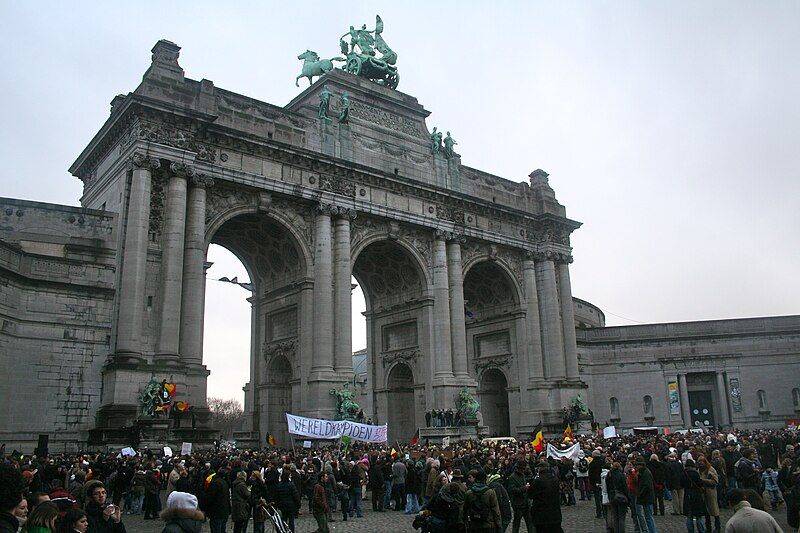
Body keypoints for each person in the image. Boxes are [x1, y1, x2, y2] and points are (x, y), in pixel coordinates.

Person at [528, 462, 563, 533]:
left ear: (539, 469)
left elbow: (530, 494)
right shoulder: (555, 479)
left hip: (541, 514)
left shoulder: (537, 481)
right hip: (555, 513)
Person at [507, 461, 533, 533]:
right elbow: (512, 490)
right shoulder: (512, 477)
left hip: (526, 503)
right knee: (516, 523)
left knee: (530, 523)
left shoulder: (522, 475)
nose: (524, 470)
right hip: (518, 504)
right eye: (523, 469)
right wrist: (524, 488)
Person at [682, 459, 708, 533]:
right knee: (698, 515)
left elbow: (681, 483)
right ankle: (701, 530)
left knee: (689, 516)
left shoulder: (684, 473)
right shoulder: (695, 473)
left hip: (687, 494)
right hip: (696, 494)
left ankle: (690, 531)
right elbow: (700, 483)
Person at [697, 456, 720, 533]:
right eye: (699, 462)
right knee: (706, 511)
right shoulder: (699, 470)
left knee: (714, 510)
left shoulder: (711, 469)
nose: (700, 464)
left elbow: (715, 481)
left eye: (702, 462)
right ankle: (708, 528)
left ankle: (717, 527)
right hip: (702, 492)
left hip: (711, 492)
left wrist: (703, 480)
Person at [606, 461, 630, 533]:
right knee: (621, 517)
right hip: (621, 497)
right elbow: (625, 488)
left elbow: (607, 488)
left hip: (612, 497)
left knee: (615, 517)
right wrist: (628, 498)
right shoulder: (621, 475)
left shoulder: (609, 475)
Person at [635, 458, 658, 533]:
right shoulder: (644, 472)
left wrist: (640, 493)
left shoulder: (645, 473)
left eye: (637, 465)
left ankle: (652, 531)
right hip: (646, 498)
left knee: (649, 517)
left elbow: (646, 486)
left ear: (641, 465)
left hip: (647, 498)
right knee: (648, 516)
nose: (636, 467)